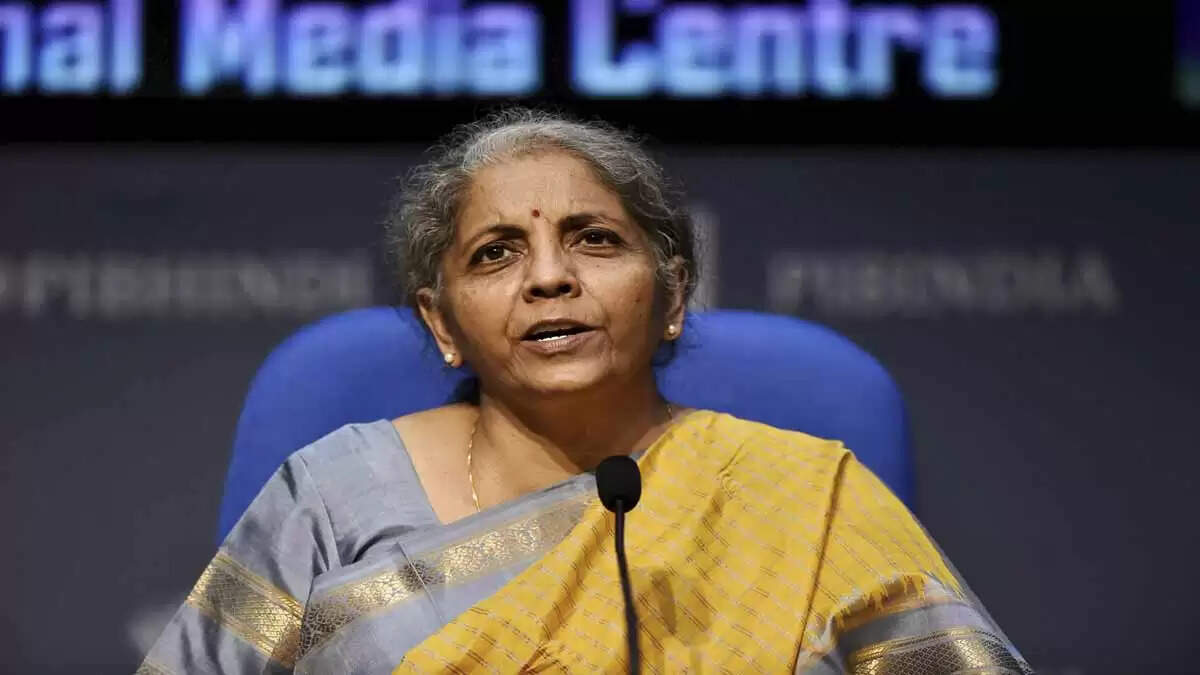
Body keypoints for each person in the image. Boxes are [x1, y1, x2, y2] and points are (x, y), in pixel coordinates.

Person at [137, 109, 1031, 674]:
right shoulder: (332, 494)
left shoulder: (806, 499)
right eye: (496, 253)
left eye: (594, 239)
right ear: (442, 322)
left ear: (672, 295)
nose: (549, 277)